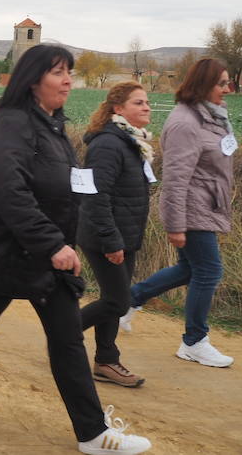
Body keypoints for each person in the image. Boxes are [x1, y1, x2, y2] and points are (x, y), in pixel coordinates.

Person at [0, 45, 151, 455]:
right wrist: (53, 244)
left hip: (41, 254)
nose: (68, 81)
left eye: (69, 72)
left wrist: (65, 238)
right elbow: (12, 193)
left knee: (66, 339)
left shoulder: (53, 126)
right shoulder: (11, 126)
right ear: (32, 80)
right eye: (58, 72)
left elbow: (67, 187)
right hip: (2, 252)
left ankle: (93, 434)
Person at [124, 58, 235, 367]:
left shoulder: (211, 118)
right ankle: (194, 341)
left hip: (206, 205)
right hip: (191, 208)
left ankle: (129, 300)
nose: (228, 89)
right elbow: (175, 178)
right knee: (210, 271)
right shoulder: (185, 122)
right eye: (222, 83)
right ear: (203, 85)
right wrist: (175, 224)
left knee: (189, 270)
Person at [77, 82, 154, 388]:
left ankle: (106, 360)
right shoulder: (108, 144)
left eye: (147, 102)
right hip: (105, 236)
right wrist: (111, 240)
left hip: (125, 235)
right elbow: (96, 195)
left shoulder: (131, 141)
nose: (147, 107)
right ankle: (64, 334)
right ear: (118, 109)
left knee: (113, 299)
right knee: (118, 302)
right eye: (139, 102)